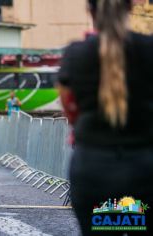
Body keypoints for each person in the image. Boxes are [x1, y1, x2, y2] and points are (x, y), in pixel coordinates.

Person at [58, 0, 153, 235]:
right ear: (130, 8)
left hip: (93, 169)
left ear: (90, 11)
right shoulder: (149, 49)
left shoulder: (75, 54)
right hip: (144, 169)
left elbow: (71, 112)